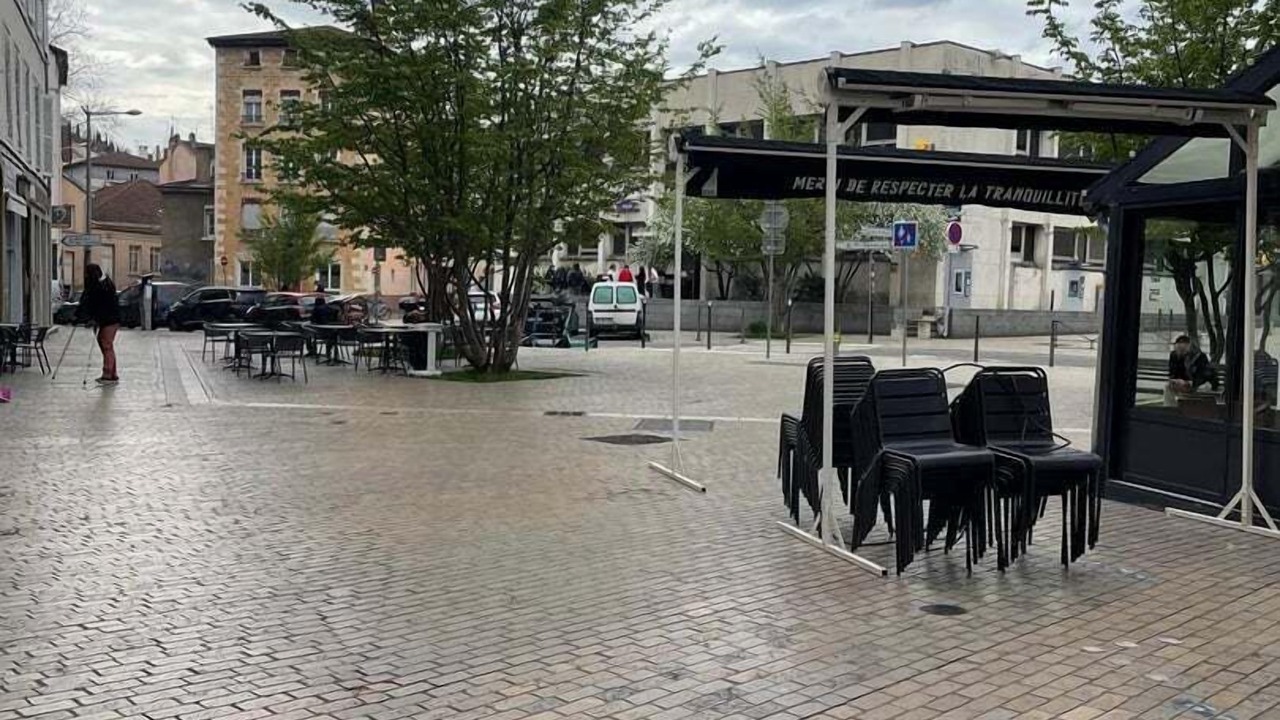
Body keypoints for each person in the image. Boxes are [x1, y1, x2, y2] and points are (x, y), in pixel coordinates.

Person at [74, 263, 121, 385]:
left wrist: (88, 317)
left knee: (106, 344)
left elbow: (95, 305)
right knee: (106, 344)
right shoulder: (104, 285)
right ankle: (112, 373)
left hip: (109, 320)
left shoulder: (100, 287)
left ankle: (108, 374)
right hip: (110, 319)